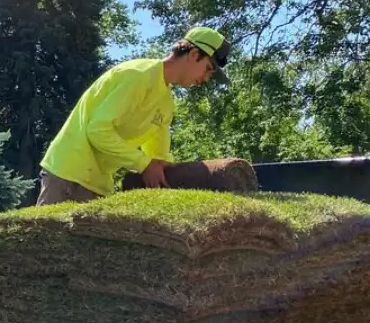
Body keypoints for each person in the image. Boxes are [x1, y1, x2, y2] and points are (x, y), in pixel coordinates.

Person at [36, 26, 230, 205]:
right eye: (209, 69)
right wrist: (143, 164)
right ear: (194, 54)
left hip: (99, 184)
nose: (206, 79)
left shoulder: (166, 103)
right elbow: (97, 130)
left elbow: (157, 157)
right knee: (47, 242)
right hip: (68, 174)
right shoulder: (137, 75)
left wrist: (170, 179)